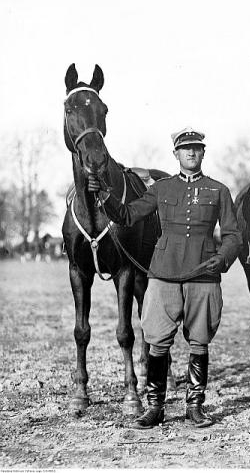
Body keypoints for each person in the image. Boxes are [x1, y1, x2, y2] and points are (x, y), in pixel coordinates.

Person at [88, 127, 241, 429]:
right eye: (185, 149)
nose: (191, 153)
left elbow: (234, 235)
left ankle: (194, 407)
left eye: (196, 148)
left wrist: (222, 259)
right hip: (164, 274)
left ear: (203, 153)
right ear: (176, 154)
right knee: (156, 341)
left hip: (204, 275)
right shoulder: (162, 188)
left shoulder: (218, 190)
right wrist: (105, 196)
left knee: (199, 342)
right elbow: (128, 215)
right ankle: (154, 407)